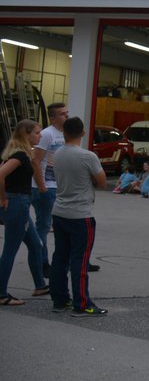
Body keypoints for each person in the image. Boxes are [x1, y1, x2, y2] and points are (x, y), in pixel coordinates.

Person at [49, 116, 108, 316]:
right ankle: (82, 303)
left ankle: (59, 299)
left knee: (60, 257)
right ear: (82, 133)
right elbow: (102, 182)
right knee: (80, 260)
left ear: (64, 133)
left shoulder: (57, 154)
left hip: (59, 210)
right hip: (80, 215)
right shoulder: (87, 156)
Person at [0, 120, 49, 306]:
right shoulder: (19, 155)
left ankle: (40, 285)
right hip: (16, 203)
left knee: (36, 244)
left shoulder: (20, 153)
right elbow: (0, 175)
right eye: (37, 132)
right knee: (10, 250)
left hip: (20, 203)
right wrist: (3, 197)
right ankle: (1, 293)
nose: (40, 135)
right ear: (26, 134)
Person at [31, 102, 68, 276]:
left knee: (61, 225)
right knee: (43, 226)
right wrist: (42, 187)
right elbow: (36, 161)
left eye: (67, 113)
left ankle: (64, 260)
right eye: (62, 114)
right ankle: (42, 262)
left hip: (59, 187)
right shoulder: (46, 134)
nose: (66, 116)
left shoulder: (65, 134)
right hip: (46, 187)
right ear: (53, 118)